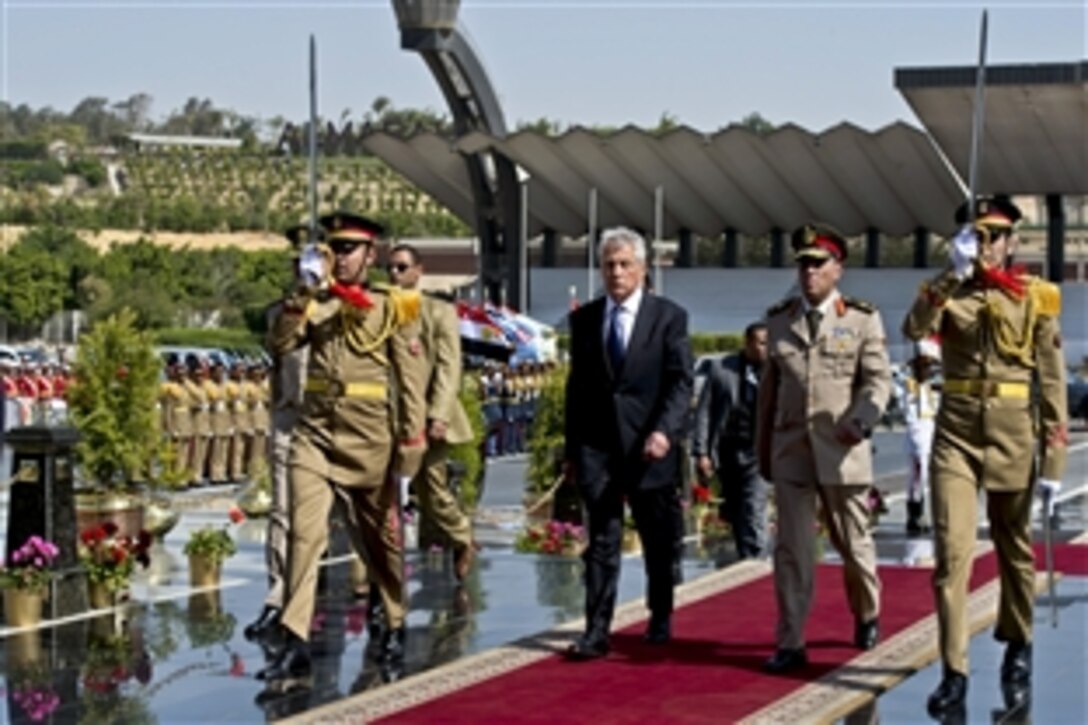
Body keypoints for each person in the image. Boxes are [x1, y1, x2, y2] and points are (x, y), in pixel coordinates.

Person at [902, 196, 1067, 716]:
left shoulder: (1037, 296)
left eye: (996, 235)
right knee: (951, 555)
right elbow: (913, 328)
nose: (988, 245)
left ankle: (1017, 642)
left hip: (1013, 431)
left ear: (1012, 241)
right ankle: (955, 669)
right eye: (979, 236)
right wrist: (950, 275)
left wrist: (1055, 462)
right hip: (956, 431)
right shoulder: (947, 290)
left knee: (1013, 546)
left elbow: (1052, 377)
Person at [257, 211, 427, 682]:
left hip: (369, 437)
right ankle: (295, 639)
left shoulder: (393, 306)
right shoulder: (314, 301)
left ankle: (393, 617)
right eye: (335, 248)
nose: (342, 258)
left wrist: (412, 441)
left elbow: (410, 382)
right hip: (314, 433)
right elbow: (281, 343)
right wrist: (302, 295)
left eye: (350, 249)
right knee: (303, 535)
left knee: (379, 540)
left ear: (370, 255)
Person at [756, 223, 892, 674]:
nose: (808, 272)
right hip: (792, 449)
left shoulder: (861, 319)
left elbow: (878, 382)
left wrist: (863, 419)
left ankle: (867, 611)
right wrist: (763, 452)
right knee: (792, 549)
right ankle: (791, 640)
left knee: (854, 544)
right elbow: (768, 396)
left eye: (817, 263)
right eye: (802, 264)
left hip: (842, 447)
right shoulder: (779, 320)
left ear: (838, 268)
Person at [563, 226, 693, 660]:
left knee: (657, 540)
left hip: (648, 447)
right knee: (601, 540)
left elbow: (680, 383)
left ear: (642, 268)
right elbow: (576, 389)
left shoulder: (668, 317)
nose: (616, 273)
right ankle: (596, 630)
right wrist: (572, 451)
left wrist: (664, 432)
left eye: (624, 265)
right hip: (599, 448)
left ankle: (660, 615)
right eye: (609, 265)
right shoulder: (585, 319)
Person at [244, 224, 318, 642]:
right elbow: (278, 357)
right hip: (292, 418)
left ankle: (382, 600)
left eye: (311, 261)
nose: (303, 270)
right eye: (298, 262)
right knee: (283, 511)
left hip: (338, 422)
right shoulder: (281, 313)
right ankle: (278, 598)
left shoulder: (349, 310)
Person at [386, 243, 478, 580]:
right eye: (390, 268)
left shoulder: (438, 312)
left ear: (418, 270)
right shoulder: (382, 309)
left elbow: (448, 367)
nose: (394, 274)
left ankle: (462, 537)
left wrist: (438, 414)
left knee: (432, 487)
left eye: (401, 267)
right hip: (389, 417)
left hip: (426, 418)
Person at [692, 321, 769, 559]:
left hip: (758, 451)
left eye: (768, 343)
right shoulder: (721, 369)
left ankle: (756, 560)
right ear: (747, 343)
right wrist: (701, 451)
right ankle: (744, 555)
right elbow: (704, 412)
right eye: (760, 343)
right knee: (734, 509)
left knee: (753, 507)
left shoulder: (776, 372)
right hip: (727, 450)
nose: (765, 348)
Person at [902, 336, 941, 536]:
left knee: (936, 477)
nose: (928, 369)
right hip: (919, 435)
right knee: (918, 477)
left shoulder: (937, 386)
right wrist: (918, 442)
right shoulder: (909, 385)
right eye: (924, 364)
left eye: (931, 365)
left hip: (936, 432)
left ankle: (933, 516)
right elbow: (910, 414)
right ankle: (915, 515)